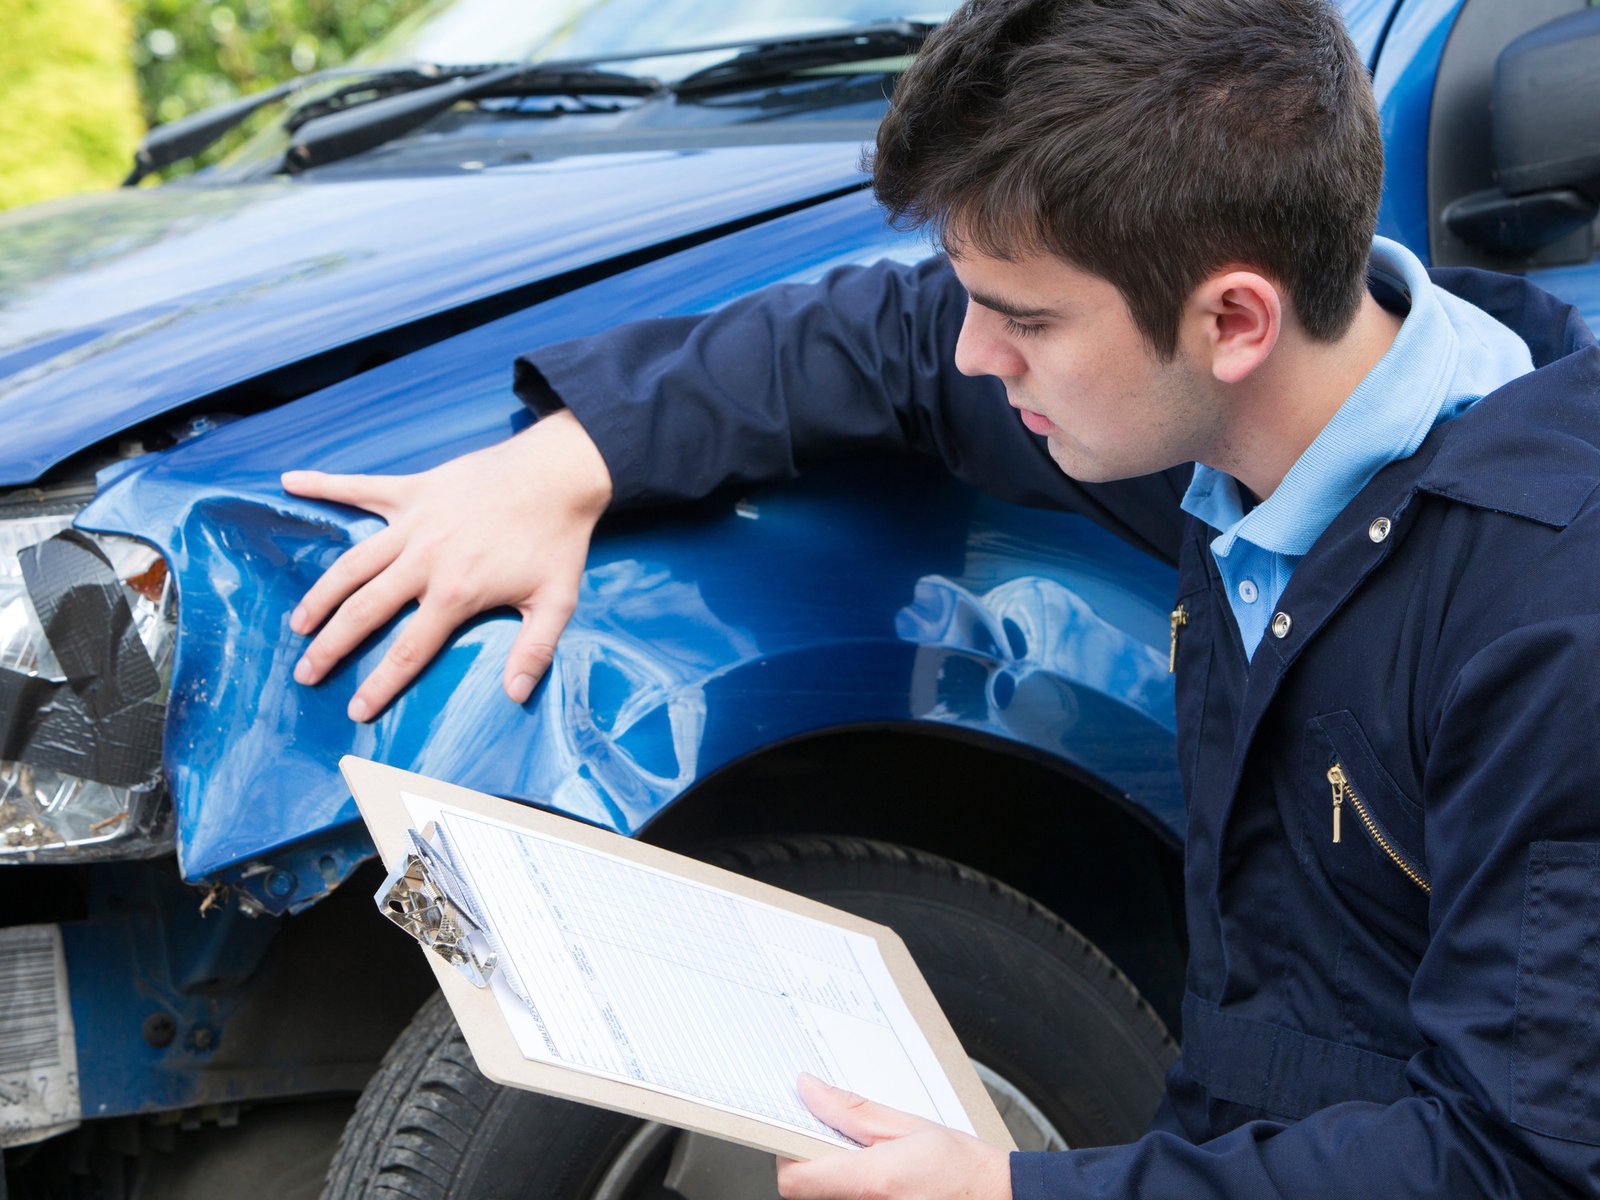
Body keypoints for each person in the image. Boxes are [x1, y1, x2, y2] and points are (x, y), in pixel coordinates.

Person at [284, 0, 1600, 1194]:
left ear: (1235, 322)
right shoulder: (1238, 410)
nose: (977, 354)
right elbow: (895, 340)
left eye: (1023, 322)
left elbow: (1523, 1161)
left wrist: (1012, 1195)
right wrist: (571, 460)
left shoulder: (1548, 613)